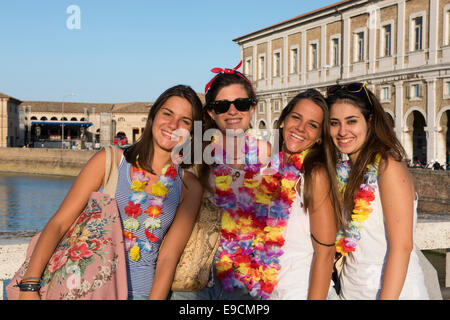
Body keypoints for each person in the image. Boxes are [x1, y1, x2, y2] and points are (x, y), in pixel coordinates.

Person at [18, 85, 203, 300]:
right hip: (87, 290)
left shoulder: (189, 186)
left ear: (191, 131)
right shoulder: (110, 161)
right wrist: (29, 287)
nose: (173, 125)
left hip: (141, 294)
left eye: (185, 121)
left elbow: (168, 258)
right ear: (153, 116)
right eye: (167, 114)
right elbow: (59, 223)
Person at [170, 62, 271, 300]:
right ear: (211, 113)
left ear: (252, 109)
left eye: (242, 104)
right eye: (223, 106)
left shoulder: (266, 153)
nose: (233, 111)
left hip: (245, 278)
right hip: (193, 277)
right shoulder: (193, 152)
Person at [326, 82, 429, 300]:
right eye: (335, 123)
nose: (342, 131)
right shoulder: (345, 172)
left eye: (351, 121)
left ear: (370, 121)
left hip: (392, 293)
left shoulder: (388, 166)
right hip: (351, 290)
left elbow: (402, 247)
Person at [264, 89, 340, 300]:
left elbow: (325, 254)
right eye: (296, 118)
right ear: (283, 121)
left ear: (318, 138)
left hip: (304, 293)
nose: (300, 128)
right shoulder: (269, 170)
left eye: (312, 125)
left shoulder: (315, 176)